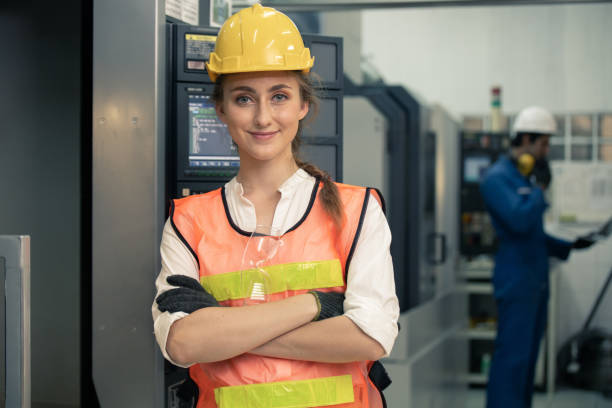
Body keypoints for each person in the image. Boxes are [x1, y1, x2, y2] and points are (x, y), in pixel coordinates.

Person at [151, 5, 399, 408]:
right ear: (221, 109)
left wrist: (225, 329)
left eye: (279, 96)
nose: (263, 117)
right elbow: (182, 344)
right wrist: (316, 305)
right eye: (244, 98)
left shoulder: (359, 210)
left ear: (303, 105)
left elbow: (371, 337)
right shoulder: (188, 220)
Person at [480, 106, 595, 407]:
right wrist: (540, 189)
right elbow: (518, 221)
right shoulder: (497, 178)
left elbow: (534, 235)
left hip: (535, 280)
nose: (546, 151)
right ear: (526, 139)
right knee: (512, 359)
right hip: (516, 281)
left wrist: (570, 245)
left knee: (529, 358)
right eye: (543, 143)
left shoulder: (523, 178)